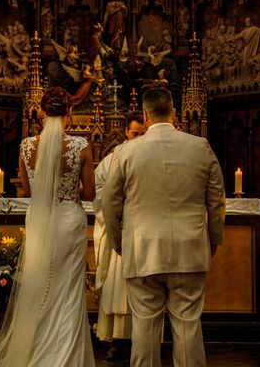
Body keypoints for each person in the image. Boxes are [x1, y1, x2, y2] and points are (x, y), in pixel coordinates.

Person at [102, 87, 226, 366]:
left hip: (142, 247)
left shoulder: (125, 151)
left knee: (144, 325)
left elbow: (110, 202)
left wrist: (117, 241)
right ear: (174, 113)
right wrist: (213, 238)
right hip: (190, 247)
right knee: (188, 324)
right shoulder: (200, 147)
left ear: (145, 116)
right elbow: (216, 199)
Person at [0, 87, 96, 367]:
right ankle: (65, 356)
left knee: (39, 281)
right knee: (68, 288)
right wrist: (71, 189)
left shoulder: (25, 146)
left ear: (42, 113)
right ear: (69, 112)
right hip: (69, 220)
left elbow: (25, 191)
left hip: (39, 219)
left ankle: (34, 351)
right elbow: (90, 194)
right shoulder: (80, 147)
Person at [93, 114, 146, 362]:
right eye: (136, 134)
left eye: (144, 134)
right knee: (119, 288)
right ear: (126, 132)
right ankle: (119, 340)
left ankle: (143, 339)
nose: (140, 138)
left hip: (144, 229)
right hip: (122, 230)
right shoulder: (112, 158)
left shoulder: (150, 156)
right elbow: (100, 191)